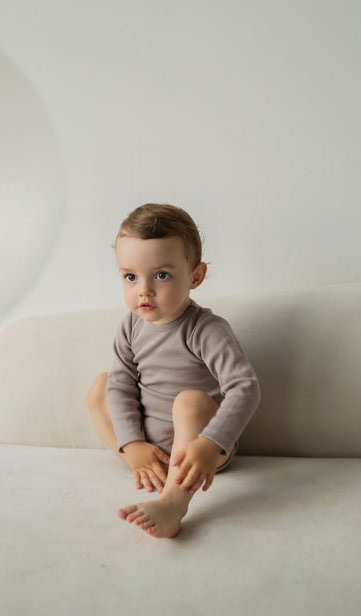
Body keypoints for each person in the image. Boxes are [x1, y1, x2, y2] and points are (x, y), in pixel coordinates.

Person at [86, 203, 260, 538]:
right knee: (101, 386)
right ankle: (139, 461)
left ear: (196, 276)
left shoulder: (205, 329)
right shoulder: (130, 326)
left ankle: (173, 504)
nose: (144, 290)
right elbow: (121, 387)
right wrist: (132, 443)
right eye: (130, 277)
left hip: (200, 448)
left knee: (190, 402)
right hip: (149, 443)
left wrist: (211, 444)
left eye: (161, 275)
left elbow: (245, 387)